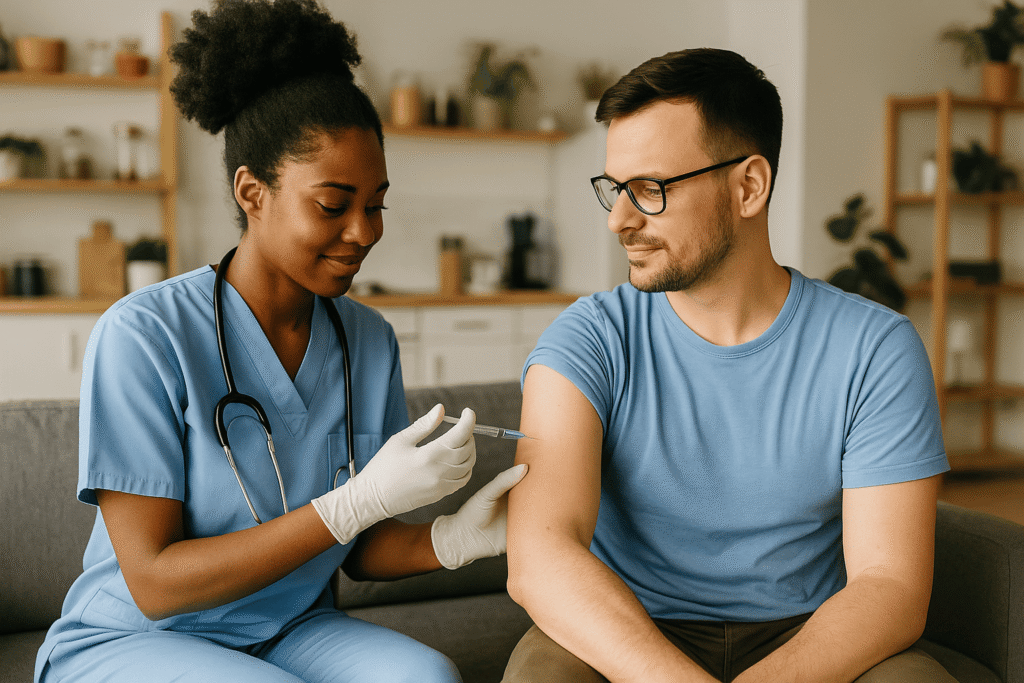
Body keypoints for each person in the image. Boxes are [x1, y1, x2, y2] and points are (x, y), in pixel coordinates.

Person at [34, 1, 525, 681]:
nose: (364, 231)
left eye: (376, 204)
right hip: (138, 635)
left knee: (427, 675)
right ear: (251, 191)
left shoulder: (367, 340)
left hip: (290, 627)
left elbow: (361, 547)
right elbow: (155, 581)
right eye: (333, 204)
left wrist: (454, 539)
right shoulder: (144, 335)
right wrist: (350, 501)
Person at [503, 48, 954, 683]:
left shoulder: (875, 348)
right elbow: (539, 554)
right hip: (629, 629)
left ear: (748, 187)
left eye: (650, 190)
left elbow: (890, 585)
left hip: (808, 634)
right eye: (614, 188)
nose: (618, 220)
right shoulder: (588, 339)